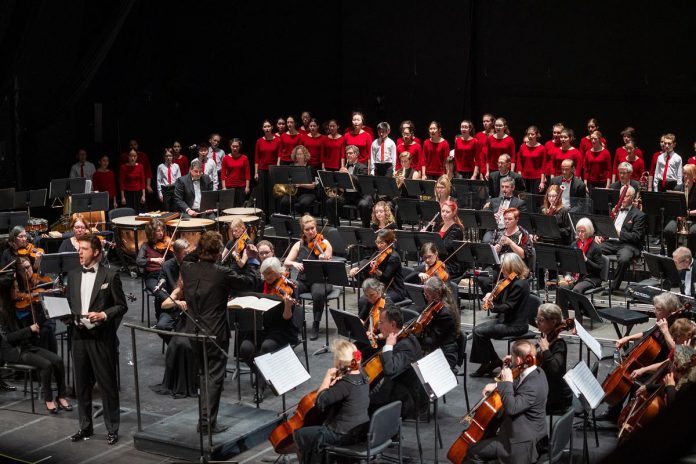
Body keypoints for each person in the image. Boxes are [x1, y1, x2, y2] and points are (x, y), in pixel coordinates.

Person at [180, 231, 259, 433]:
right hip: (215, 332)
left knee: (203, 375)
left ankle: (204, 420)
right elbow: (250, 282)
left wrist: (203, 247)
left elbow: (188, 256)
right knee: (214, 378)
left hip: (193, 331)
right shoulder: (221, 273)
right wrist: (250, 260)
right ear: (217, 252)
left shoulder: (187, 268)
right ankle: (206, 423)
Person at [67, 234, 128, 445]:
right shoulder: (73, 275)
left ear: (96, 252)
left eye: (83, 249)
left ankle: (112, 428)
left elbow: (121, 306)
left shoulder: (111, 275)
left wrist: (103, 315)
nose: (80, 252)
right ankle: (85, 427)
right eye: (79, 249)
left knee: (107, 384)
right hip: (78, 337)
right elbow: (70, 304)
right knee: (81, 385)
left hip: (101, 337)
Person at [466, 340, 548, 464]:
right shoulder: (538, 372)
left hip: (521, 443)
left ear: (519, 360)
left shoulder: (532, 386)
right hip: (529, 430)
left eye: (513, 356)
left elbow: (512, 408)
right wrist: (497, 385)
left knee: (473, 451)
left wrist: (506, 382)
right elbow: (520, 384)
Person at [294, 339, 369, 464]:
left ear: (339, 362)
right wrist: (341, 375)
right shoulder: (363, 375)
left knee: (299, 434)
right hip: (359, 430)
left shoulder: (344, 384)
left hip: (342, 435)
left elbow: (320, 401)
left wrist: (328, 377)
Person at [0, 292, 71, 414]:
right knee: (46, 364)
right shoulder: (1, 314)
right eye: (14, 291)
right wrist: (30, 329)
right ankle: (48, 400)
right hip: (13, 352)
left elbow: (32, 324)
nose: (18, 294)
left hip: (26, 346)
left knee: (58, 360)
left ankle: (61, 397)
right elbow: (8, 338)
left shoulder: (15, 309)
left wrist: (42, 313)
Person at [240, 257, 299, 402]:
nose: (268, 277)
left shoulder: (289, 287)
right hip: (260, 327)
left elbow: (287, 318)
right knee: (245, 348)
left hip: (281, 329)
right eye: (265, 274)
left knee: (266, 347)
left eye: (271, 273)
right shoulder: (260, 285)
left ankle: (260, 389)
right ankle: (264, 375)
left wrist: (287, 305)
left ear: (279, 272)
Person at [470, 253, 531, 377]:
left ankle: (490, 362)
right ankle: (491, 361)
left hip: (515, 324)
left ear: (513, 267)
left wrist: (493, 306)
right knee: (476, 330)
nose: (501, 270)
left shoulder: (520, 284)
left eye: (505, 267)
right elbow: (501, 301)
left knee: (479, 333)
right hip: (506, 320)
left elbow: (508, 306)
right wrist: (490, 296)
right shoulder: (509, 281)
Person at [368, 302, 425, 419]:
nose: (378, 327)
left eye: (381, 323)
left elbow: (390, 369)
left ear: (393, 325)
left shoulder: (406, 346)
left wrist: (388, 346)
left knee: (363, 404)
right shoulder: (400, 335)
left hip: (406, 401)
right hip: (395, 386)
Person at [285, 215, 333, 340]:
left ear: (316, 228)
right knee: (290, 288)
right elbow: (286, 262)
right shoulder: (298, 245)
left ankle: (316, 324)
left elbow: (328, 257)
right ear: (303, 231)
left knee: (317, 293)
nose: (311, 231)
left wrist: (324, 257)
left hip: (321, 281)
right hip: (303, 280)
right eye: (307, 229)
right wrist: (294, 263)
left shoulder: (325, 243)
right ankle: (295, 323)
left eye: (312, 228)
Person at [150, 276, 196, 398]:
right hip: (185, 321)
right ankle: (177, 381)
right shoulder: (180, 289)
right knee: (175, 345)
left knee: (186, 345)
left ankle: (192, 380)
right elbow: (164, 305)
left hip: (198, 321)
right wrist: (178, 302)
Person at [596, 186, 646, 293]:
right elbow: (606, 227)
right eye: (621, 196)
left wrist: (619, 233)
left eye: (626, 196)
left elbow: (636, 237)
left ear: (632, 198)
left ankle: (614, 286)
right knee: (593, 249)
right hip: (611, 242)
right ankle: (594, 280)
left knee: (624, 259)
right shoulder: (615, 210)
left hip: (628, 245)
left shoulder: (639, 215)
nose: (622, 199)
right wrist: (600, 235)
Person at [533, 303, 573, 415]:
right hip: (545, 386)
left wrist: (545, 350)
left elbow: (555, 370)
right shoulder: (548, 337)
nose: (537, 322)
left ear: (553, 322)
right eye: (537, 319)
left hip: (553, 396)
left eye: (540, 320)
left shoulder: (559, 344)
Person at [349, 229, 406, 303]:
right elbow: (367, 262)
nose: (378, 245)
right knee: (363, 300)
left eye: (381, 243)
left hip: (394, 289)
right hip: (380, 288)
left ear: (389, 243)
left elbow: (386, 277)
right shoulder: (378, 253)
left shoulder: (393, 257)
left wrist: (377, 271)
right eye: (377, 242)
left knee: (375, 300)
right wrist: (357, 268)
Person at [326, 144, 371, 228]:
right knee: (330, 202)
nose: (348, 155)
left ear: (356, 154)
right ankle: (335, 227)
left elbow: (360, 182)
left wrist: (348, 175)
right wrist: (338, 177)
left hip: (359, 196)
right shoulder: (345, 167)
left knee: (364, 204)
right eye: (347, 154)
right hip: (347, 195)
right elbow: (340, 184)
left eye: (350, 153)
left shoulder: (363, 167)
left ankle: (366, 228)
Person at [419, 276, 460, 368]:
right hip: (435, 348)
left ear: (437, 293)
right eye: (425, 293)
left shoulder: (445, 313)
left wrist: (414, 338)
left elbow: (432, 340)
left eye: (427, 295)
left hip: (445, 353)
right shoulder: (434, 304)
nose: (425, 296)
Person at [155, 238, 190, 332]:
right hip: (171, 307)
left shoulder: (192, 265)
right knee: (162, 327)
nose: (188, 256)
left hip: (188, 308)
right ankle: (174, 346)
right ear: (176, 254)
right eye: (185, 254)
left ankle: (178, 345)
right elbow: (161, 292)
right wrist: (176, 303)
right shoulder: (166, 266)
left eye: (189, 253)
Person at [136, 219, 168, 320]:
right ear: (151, 232)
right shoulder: (145, 246)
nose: (161, 233)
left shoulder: (166, 244)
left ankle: (164, 318)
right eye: (158, 231)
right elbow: (139, 261)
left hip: (165, 275)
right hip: (151, 277)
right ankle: (163, 317)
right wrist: (153, 259)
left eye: (162, 230)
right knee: (160, 292)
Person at [664, 164, 696, 255]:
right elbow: (672, 207)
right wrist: (678, 214)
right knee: (668, 230)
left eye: (688, 174)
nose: (685, 176)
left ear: (694, 175)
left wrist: (688, 213)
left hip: (694, 218)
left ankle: (692, 258)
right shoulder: (678, 188)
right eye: (684, 173)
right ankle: (672, 256)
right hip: (679, 218)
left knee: (693, 232)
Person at [566, 218, 604, 293]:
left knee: (576, 289)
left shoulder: (595, 247)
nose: (579, 234)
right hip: (576, 277)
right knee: (562, 287)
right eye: (578, 231)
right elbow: (569, 263)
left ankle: (576, 305)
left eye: (582, 231)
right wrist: (568, 275)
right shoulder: (574, 244)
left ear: (589, 231)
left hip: (590, 277)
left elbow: (599, 269)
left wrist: (586, 259)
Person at [278, 145, 317, 216]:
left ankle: (303, 220)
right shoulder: (291, 166)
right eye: (297, 154)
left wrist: (301, 184)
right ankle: (283, 219)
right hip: (294, 194)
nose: (299, 156)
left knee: (303, 203)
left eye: (300, 154)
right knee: (284, 201)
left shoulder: (309, 167)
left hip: (308, 193)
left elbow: (313, 186)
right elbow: (287, 180)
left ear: (305, 155)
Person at [255, 119, 282, 216]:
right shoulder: (259, 141)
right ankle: (264, 217)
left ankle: (273, 215)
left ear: (272, 127)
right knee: (263, 194)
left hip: (273, 171)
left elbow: (279, 155)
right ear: (262, 128)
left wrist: (277, 168)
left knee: (273, 194)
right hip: (262, 170)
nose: (267, 128)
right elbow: (257, 158)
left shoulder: (277, 140)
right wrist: (256, 172)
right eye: (265, 127)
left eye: (268, 126)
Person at [437, 200, 465, 277]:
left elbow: (445, 247)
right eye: (443, 211)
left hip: (450, 265)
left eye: (447, 212)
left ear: (453, 213)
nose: (444, 214)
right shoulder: (439, 226)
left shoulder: (456, 229)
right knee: (418, 272)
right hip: (437, 262)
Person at [516, 125, 547, 193]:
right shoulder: (522, 147)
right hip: (524, 177)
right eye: (528, 134)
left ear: (536, 135)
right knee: (524, 198)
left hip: (537, 178)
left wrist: (542, 182)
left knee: (535, 200)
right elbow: (519, 163)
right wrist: (519, 176)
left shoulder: (542, 148)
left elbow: (543, 166)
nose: (530, 136)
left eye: (532, 134)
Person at [221, 138, 250, 207]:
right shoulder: (226, 158)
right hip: (229, 186)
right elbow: (223, 173)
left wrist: (247, 186)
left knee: (241, 207)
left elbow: (247, 173)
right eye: (233, 146)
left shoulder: (244, 158)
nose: (235, 148)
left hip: (241, 186)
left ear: (239, 147)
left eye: (237, 146)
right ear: (230, 146)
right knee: (230, 207)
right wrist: (223, 187)